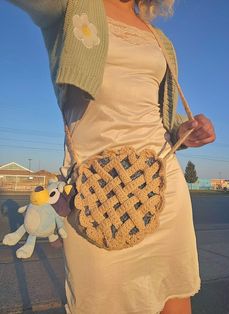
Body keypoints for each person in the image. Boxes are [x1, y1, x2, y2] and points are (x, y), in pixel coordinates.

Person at [6, 0, 216, 313]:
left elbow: (156, 114)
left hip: (163, 185)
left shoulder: (159, 38)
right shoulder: (70, 7)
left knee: (173, 292)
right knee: (100, 302)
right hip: (94, 193)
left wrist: (183, 131)